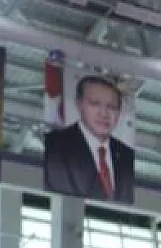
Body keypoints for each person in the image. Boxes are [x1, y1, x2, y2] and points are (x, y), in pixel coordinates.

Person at [43, 75, 136, 204]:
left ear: (119, 112)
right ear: (79, 104)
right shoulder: (53, 146)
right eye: (95, 103)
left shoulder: (128, 157)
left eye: (112, 107)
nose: (104, 113)